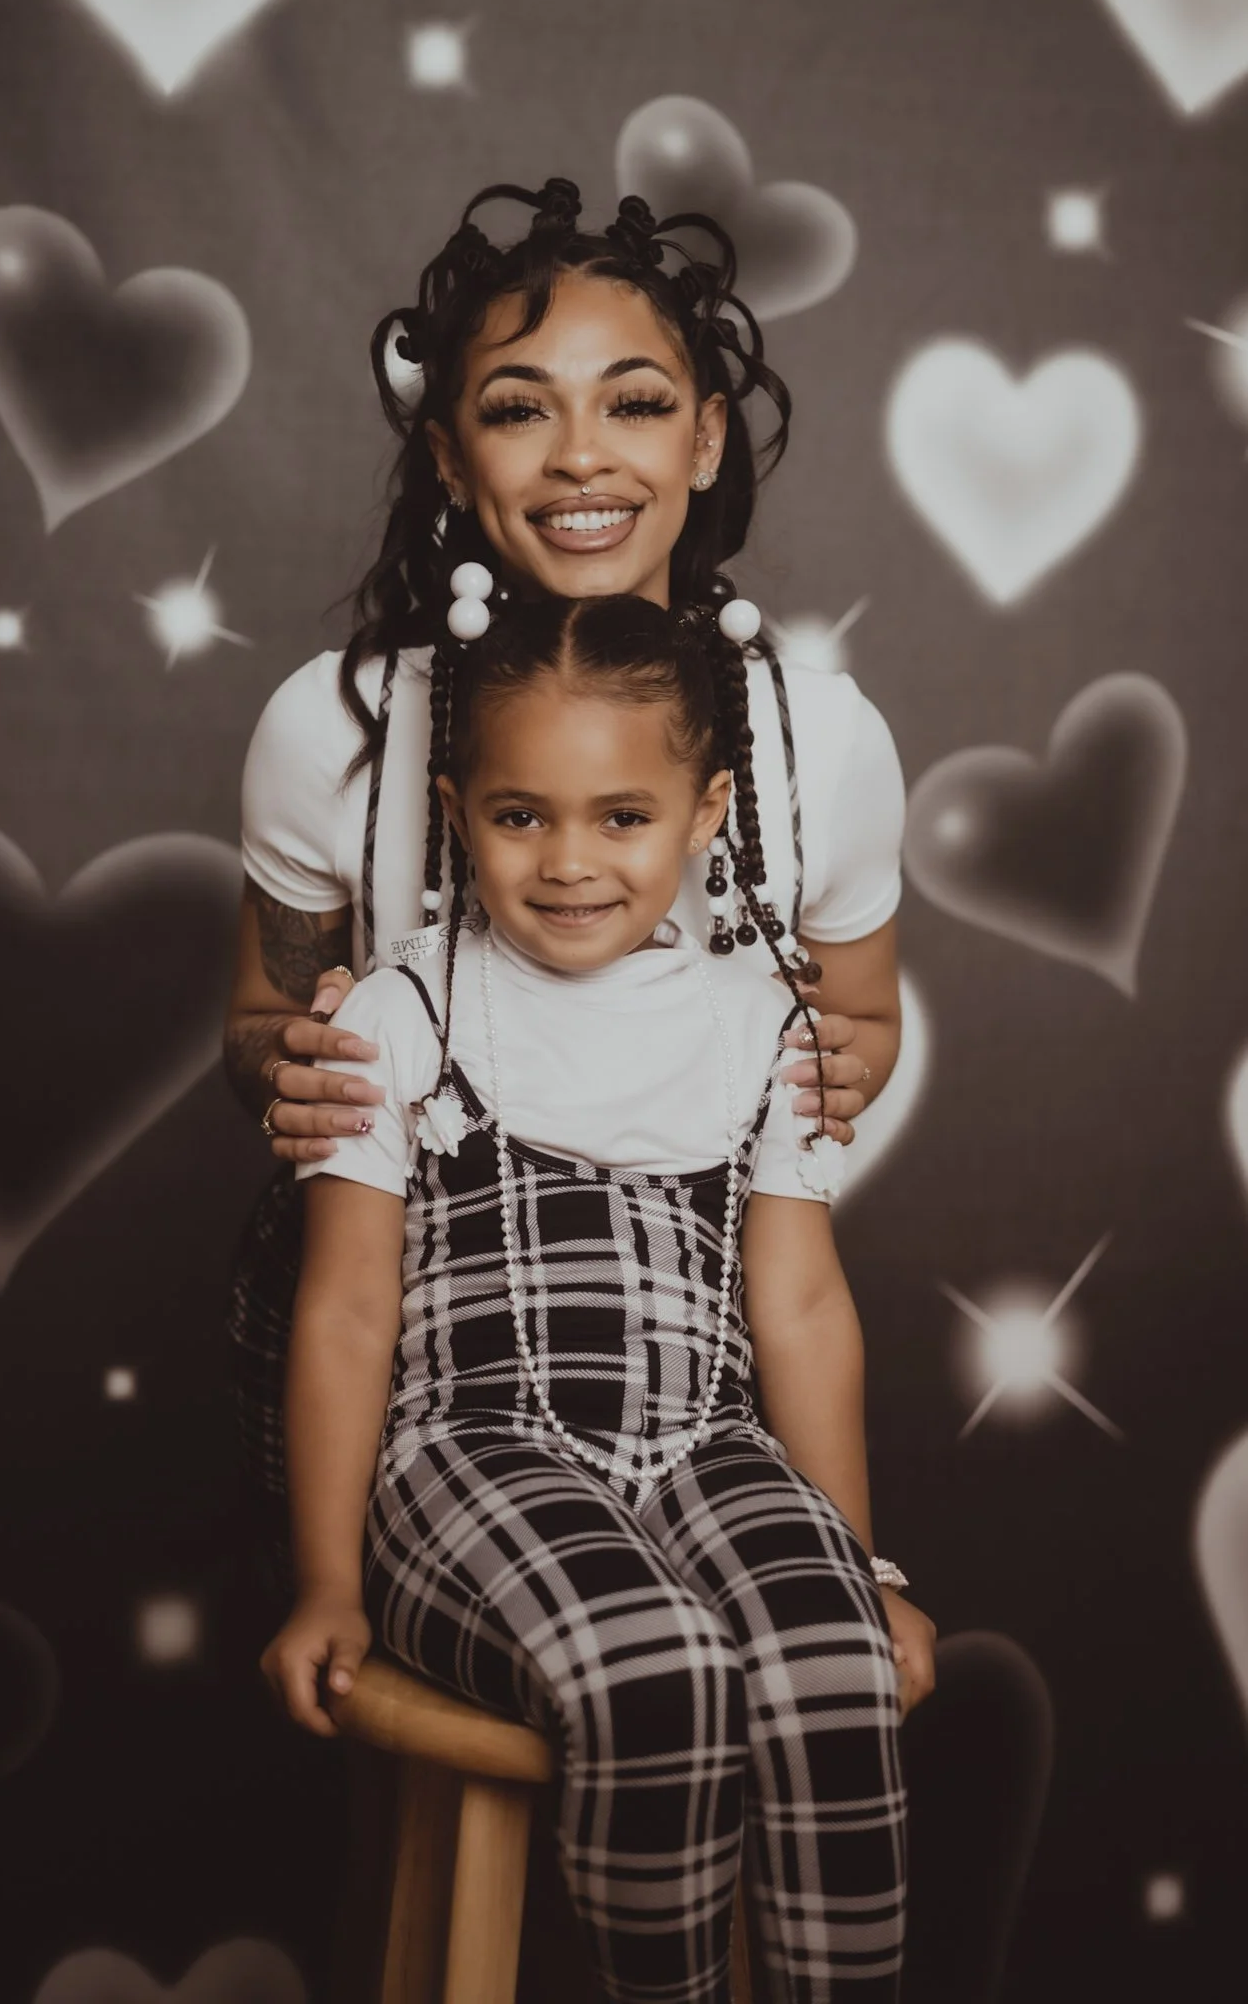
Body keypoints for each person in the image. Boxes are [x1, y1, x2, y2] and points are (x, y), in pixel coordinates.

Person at [262, 592, 935, 2003]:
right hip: (477, 1452)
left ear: (705, 819)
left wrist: (860, 1564)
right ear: (456, 812)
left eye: (622, 818)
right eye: (522, 817)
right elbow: (342, 1315)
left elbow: (802, 1310)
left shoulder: (767, 1030)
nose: (570, 863)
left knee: (827, 1664)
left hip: (706, 1447)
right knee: (658, 1671)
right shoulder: (400, 1014)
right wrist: (326, 1576)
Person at [226, 176, 905, 1563]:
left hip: (717, 1369)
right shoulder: (332, 725)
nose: (582, 457)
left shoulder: (820, 739)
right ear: (450, 456)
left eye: (638, 403)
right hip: (415, 1377)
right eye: (521, 406)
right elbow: (255, 1022)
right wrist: (293, 1064)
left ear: (708, 439)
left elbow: (866, 1017)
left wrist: (843, 1066)